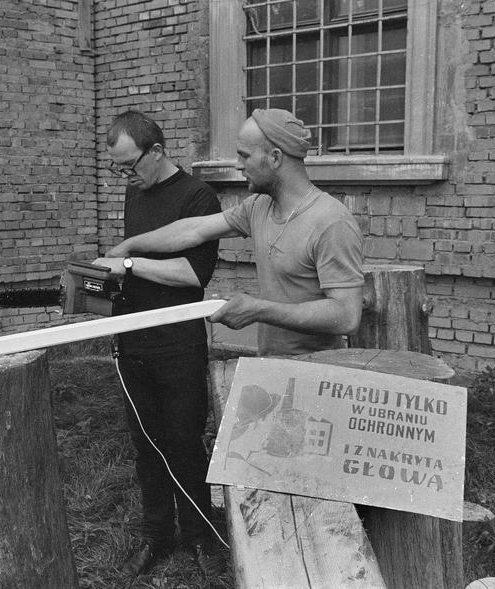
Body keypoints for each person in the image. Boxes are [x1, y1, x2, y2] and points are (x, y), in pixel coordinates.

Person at [105, 108, 365, 357]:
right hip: (270, 362)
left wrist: (257, 309)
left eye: (245, 156)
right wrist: (128, 246)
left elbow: (346, 316)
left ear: (275, 158)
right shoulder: (259, 206)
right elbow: (194, 230)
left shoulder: (331, 222)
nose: (238, 166)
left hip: (317, 369)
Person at [92, 110, 225, 578]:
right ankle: (157, 536)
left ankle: (200, 536)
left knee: (183, 440)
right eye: (118, 169)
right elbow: (136, 264)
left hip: (177, 341)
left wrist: (129, 263)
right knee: (145, 444)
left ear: (157, 151)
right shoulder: (136, 190)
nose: (125, 177)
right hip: (132, 338)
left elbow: (193, 275)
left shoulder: (198, 196)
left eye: (130, 166)